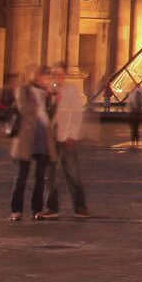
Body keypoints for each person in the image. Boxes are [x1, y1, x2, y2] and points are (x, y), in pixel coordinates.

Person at [41, 64, 90, 219]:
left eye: (60, 74)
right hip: (50, 137)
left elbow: (77, 114)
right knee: (49, 175)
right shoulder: (47, 92)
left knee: (73, 173)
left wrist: (73, 135)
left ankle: (80, 207)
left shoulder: (71, 90)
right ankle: (51, 207)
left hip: (66, 135)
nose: (58, 77)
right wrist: (51, 100)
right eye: (55, 74)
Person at [8, 67, 53, 221]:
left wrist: (51, 101)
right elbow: (24, 110)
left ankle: (37, 210)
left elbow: (49, 115)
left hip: (42, 136)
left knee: (40, 177)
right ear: (37, 77)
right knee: (21, 176)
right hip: (26, 137)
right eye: (46, 77)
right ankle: (16, 210)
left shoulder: (47, 94)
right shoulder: (24, 90)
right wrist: (40, 99)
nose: (48, 81)